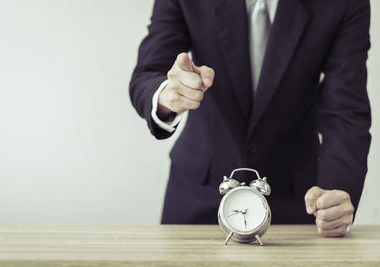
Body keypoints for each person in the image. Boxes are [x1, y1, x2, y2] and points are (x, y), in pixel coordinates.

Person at [129, 0, 371, 237]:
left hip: (297, 202)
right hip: (198, 195)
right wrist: (168, 96)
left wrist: (336, 195)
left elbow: (346, 112)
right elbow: (149, 72)